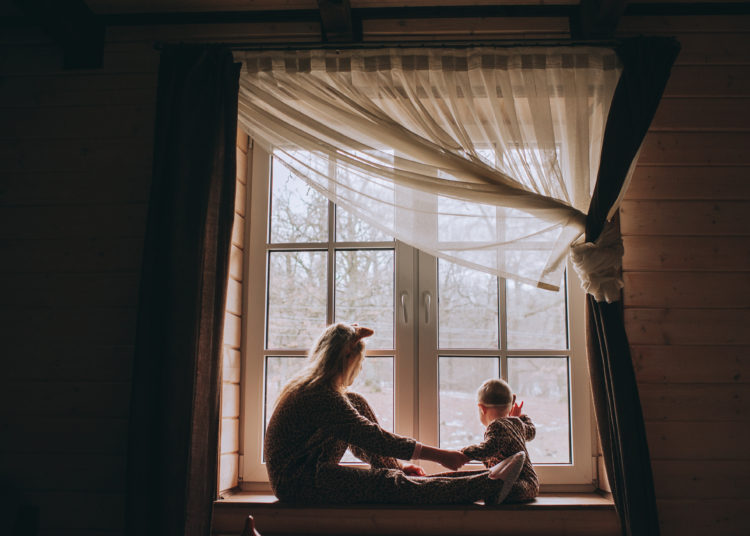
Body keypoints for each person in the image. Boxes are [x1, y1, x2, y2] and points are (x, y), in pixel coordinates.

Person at [264, 322, 525, 505]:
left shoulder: (321, 391)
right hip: (298, 483)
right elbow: (370, 436)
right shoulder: (319, 396)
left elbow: (361, 436)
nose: (359, 369)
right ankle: (491, 484)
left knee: (355, 402)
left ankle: (491, 477)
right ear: (345, 357)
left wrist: (396, 466)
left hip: (310, 470)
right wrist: (440, 455)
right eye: (358, 362)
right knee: (389, 484)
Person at [460, 378, 539, 502]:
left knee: (490, 489)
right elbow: (532, 432)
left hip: (519, 483)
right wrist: (521, 417)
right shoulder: (516, 423)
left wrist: (464, 452)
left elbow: (487, 450)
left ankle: (499, 492)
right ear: (511, 404)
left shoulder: (496, 426)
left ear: (482, 408)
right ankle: (500, 489)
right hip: (531, 483)